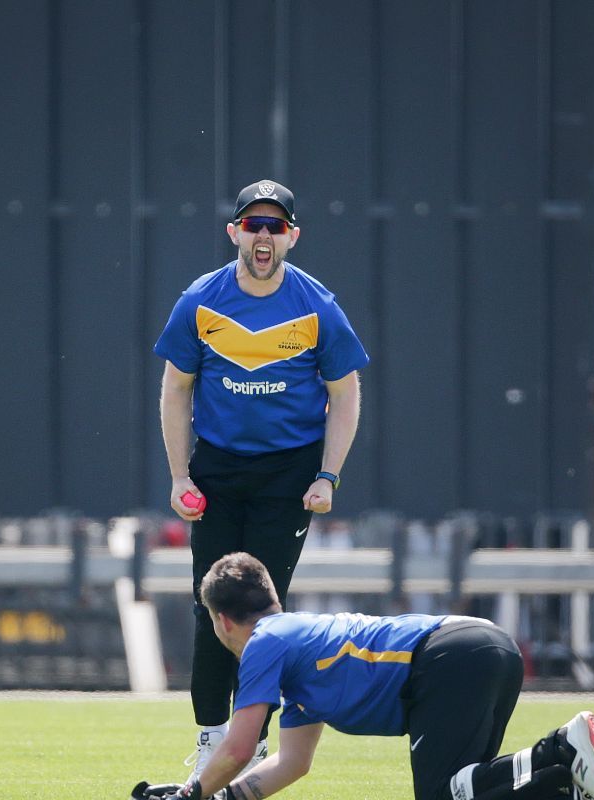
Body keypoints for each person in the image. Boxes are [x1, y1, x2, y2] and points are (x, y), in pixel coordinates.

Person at [154, 179, 368, 782]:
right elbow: (175, 388)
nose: (264, 235)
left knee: (265, 618)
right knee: (210, 606)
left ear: (293, 236)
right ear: (235, 233)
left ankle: (250, 746)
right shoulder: (201, 300)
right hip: (218, 469)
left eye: (276, 226)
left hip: (287, 473)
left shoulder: (317, 305)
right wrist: (178, 476)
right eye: (254, 225)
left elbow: (345, 393)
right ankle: (209, 739)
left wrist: (328, 474)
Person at [133, 553, 594, 800]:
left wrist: (188, 795)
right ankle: (566, 782)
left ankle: (560, 748)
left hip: (449, 658)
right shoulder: (299, 654)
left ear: (221, 620)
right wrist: (214, 795)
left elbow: (239, 748)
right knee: (469, 793)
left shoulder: (265, 642)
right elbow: (290, 765)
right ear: (272, 595)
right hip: (481, 646)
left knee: (441, 796)